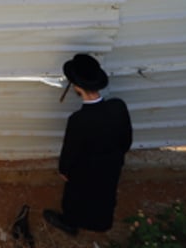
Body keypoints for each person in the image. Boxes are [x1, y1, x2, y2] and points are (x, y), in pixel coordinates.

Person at [43, 53, 132, 237]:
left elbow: (70, 151)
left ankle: (70, 223)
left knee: (75, 198)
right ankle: (101, 223)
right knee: (106, 194)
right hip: (112, 165)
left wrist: (64, 170)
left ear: (76, 88)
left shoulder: (78, 120)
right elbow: (126, 140)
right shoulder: (118, 106)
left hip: (84, 172)